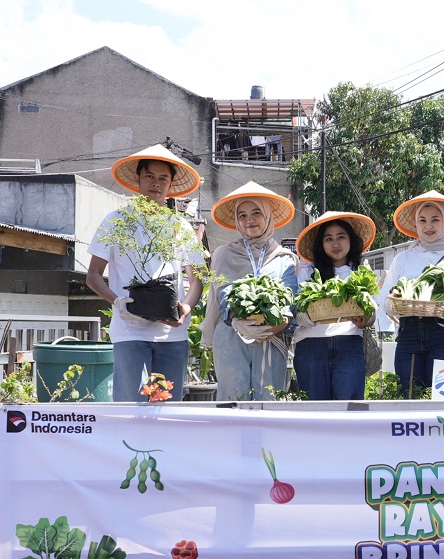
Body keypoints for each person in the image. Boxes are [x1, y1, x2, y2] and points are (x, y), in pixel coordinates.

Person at [87, 144, 204, 402]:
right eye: (149, 176)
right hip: (130, 331)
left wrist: (186, 307)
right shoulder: (116, 220)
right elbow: (93, 275)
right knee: (130, 407)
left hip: (172, 334)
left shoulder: (180, 226)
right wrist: (117, 301)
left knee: (167, 408)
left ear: (171, 184)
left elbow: (196, 280)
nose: (156, 183)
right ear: (138, 179)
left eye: (163, 178)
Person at [203, 181, 299, 401]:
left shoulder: (285, 258)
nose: (249, 221)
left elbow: (289, 301)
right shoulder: (224, 254)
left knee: (268, 400)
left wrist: (271, 328)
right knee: (232, 400)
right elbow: (224, 293)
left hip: (271, 338)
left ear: (267, 217)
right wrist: (237, 320)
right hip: (231, 336)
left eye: (256, 213)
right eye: (243, 216)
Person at [379, 190, 444, 396]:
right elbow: (386, 304)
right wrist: (398, 299)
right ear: (416, 225)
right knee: (409, 396)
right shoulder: (402, 259)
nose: (428, 226)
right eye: (422, 220)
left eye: (435, 219)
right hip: (409, 335)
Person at [292, 211, 377, 400]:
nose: (335, 243)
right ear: (321, 244)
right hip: (310, 346)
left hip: (349, 343)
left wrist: (366, 320)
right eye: (328, 238)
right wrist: (304, 317)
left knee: (349, 410)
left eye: (341, 237)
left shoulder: (361, 270)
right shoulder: (308, 272)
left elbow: (372, 311)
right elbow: (295, 309)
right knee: (314, 412)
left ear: (351, 240)